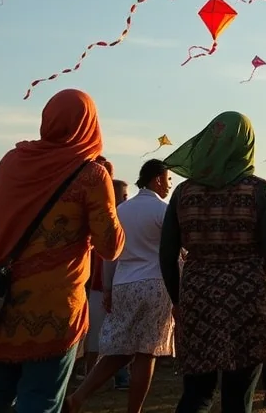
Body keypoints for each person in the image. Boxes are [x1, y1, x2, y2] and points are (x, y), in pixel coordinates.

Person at [0, 89, 124, 413]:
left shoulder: (11, 162)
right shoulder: (91, 174)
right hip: (54, 308)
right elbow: (110, 246)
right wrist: (108, 196)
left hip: (1, 299)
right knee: (41, 397)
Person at [159, 111, 266, 413]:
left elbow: (166, 254)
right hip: (247, 300)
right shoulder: (261, 191)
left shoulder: (183, 192)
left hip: (198, 298)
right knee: (238, 395)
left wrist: (178, 300)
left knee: (196, 393)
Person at [69, 160, 173, 413]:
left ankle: (78, 397)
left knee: (120, 349)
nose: (169, 185)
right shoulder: (164, 211)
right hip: (154, 282)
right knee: (145, 352)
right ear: (157, 179)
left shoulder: (121, 211)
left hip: (124, 283)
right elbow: (173, 252)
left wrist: (107, 288)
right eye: (168, 179)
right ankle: (133, 410)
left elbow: (109, 253)